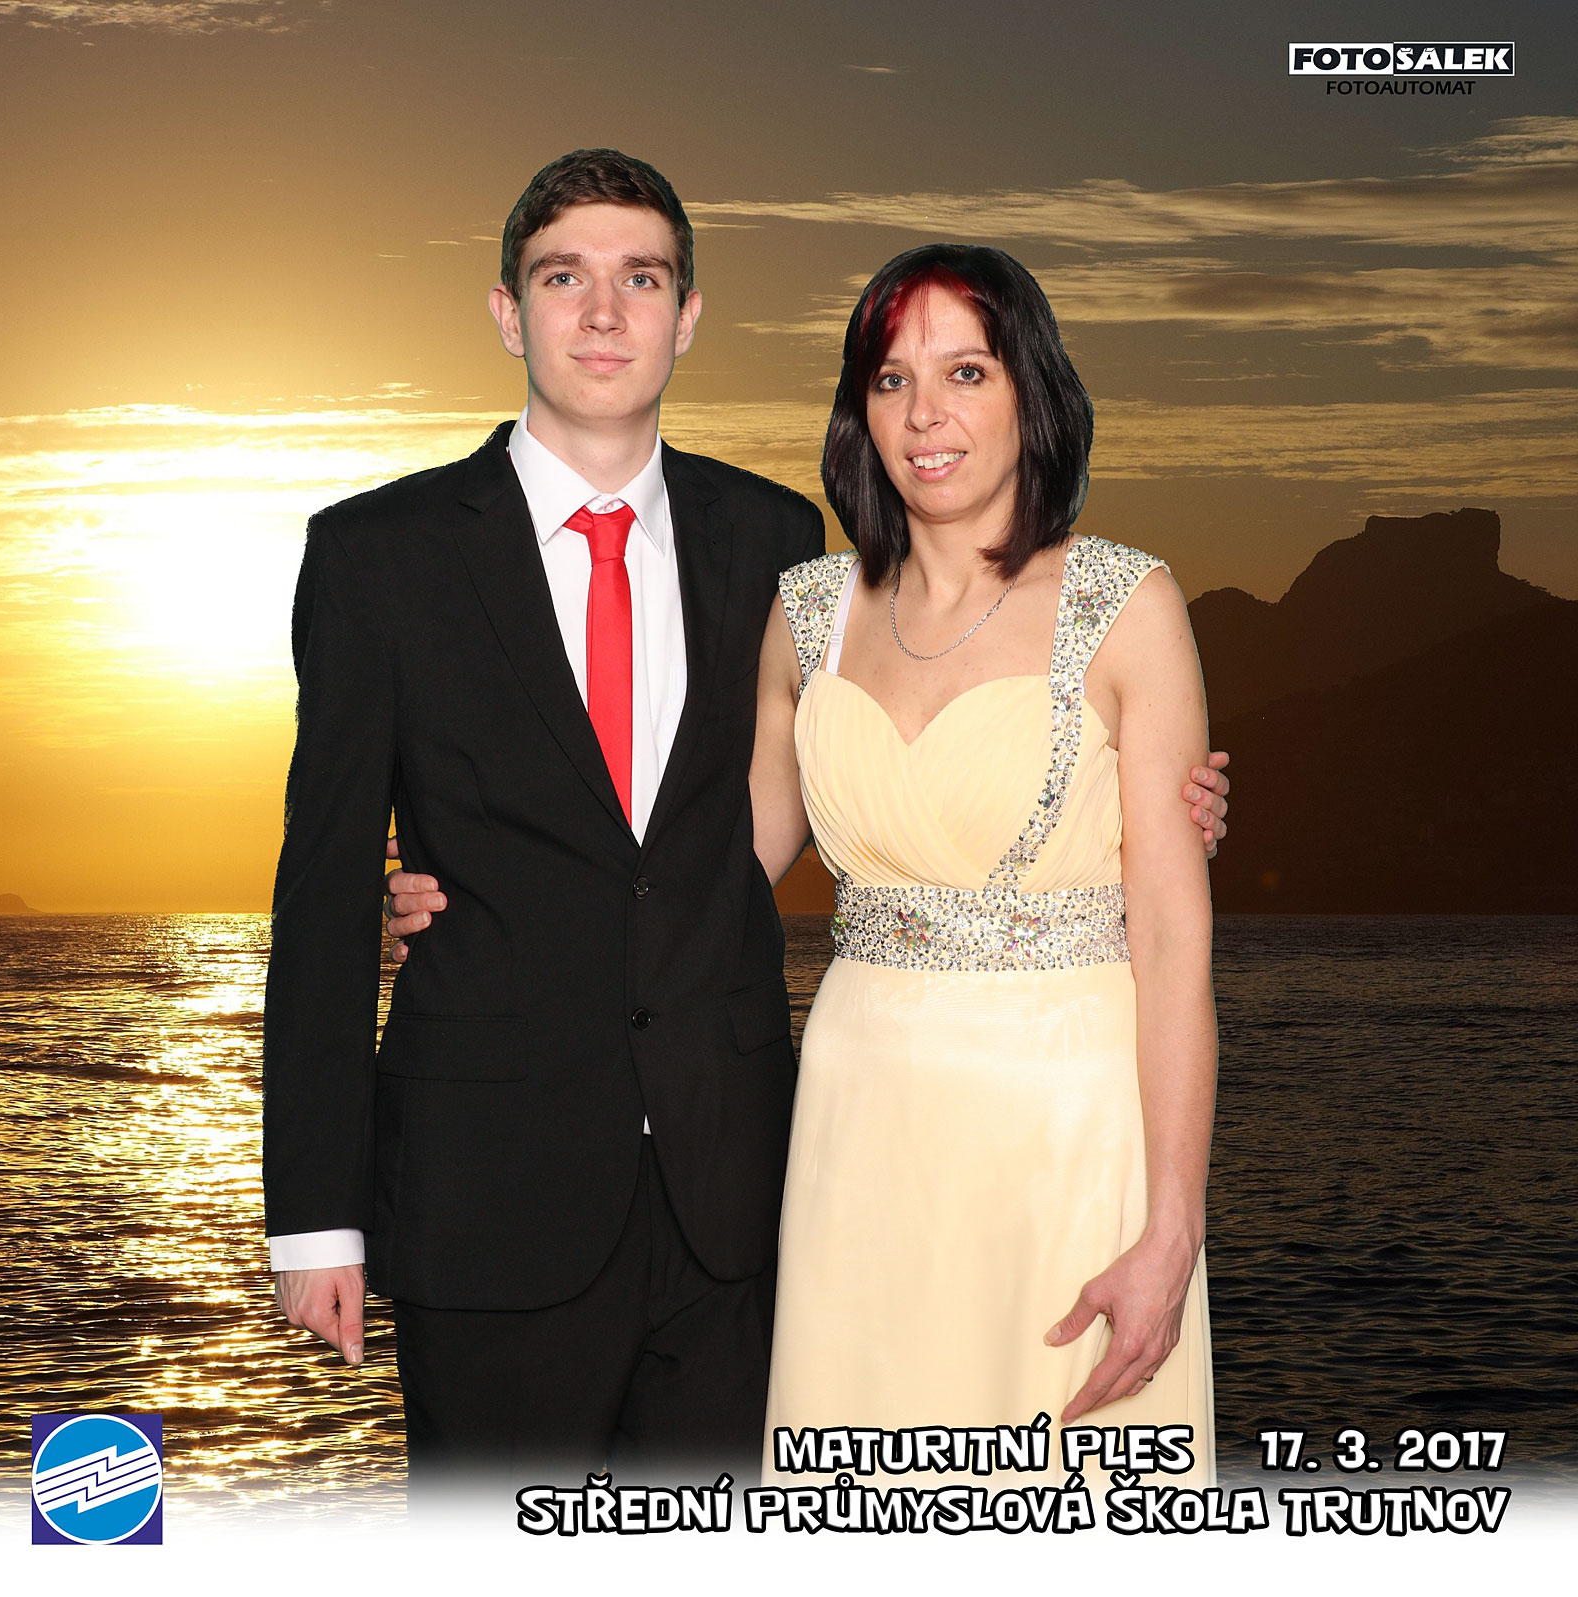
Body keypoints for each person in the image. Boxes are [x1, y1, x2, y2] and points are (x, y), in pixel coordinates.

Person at [285, 152, 1231, 1485]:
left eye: (640, 279)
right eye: (563, 279)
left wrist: (1152, 806)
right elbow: (673, 854)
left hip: (848, 1172)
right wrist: (446, 899)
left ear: (687, 316)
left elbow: (1165, 938)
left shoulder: (776, 542)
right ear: (507, 311)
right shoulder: (401, 558)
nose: (603, 313)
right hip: (688, 1161)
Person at [747, 243, 1217, 1483]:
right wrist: (466, 877)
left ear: (1030, 392)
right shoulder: (806, 614)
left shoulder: (1127, 603)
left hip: (1065, 1125)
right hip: (856, 1127)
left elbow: (1174, 943)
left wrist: (1172, 1229)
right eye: (891, 379)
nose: (926, 414)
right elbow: (705, 870)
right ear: (858, 410)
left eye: (966, 371)